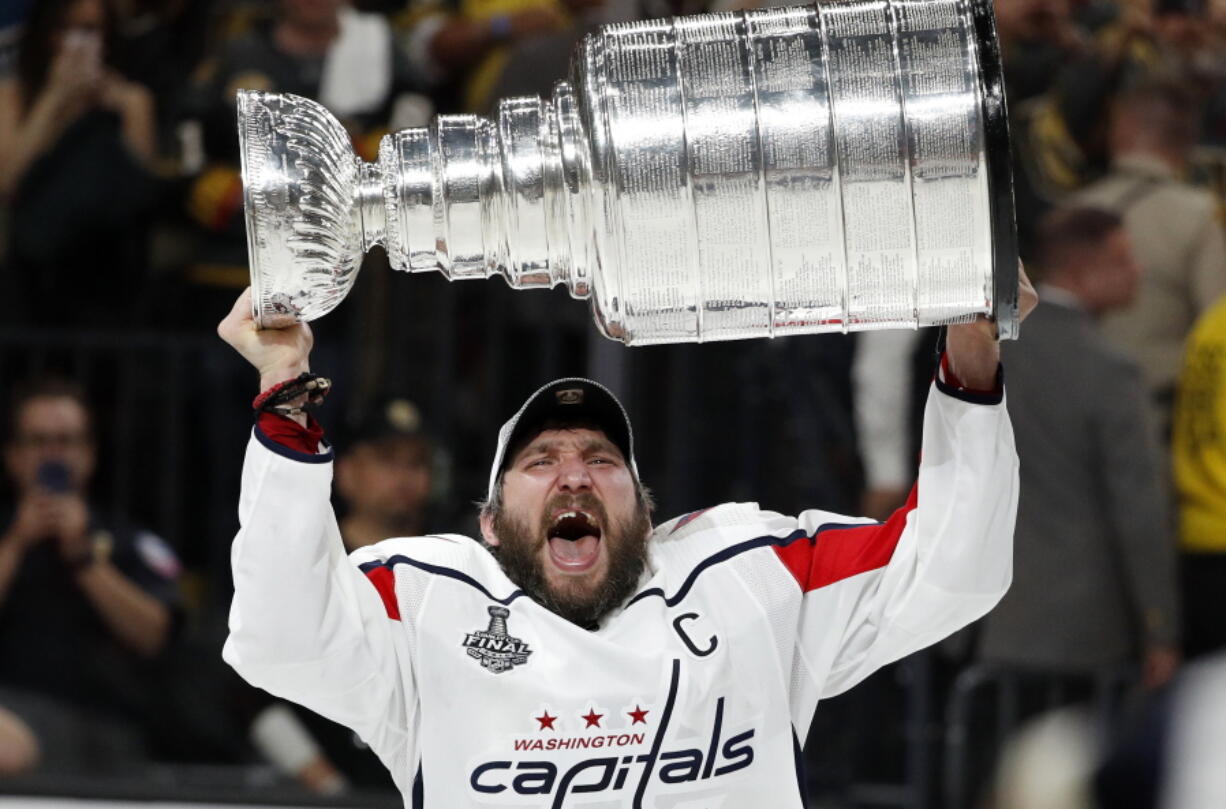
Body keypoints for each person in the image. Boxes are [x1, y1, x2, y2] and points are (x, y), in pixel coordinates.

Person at [216, 264, 1036, 804]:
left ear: (648, 511)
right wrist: (284, 389)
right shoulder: (426, 598)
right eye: (540, 460)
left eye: (600, 458)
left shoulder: (748, 573)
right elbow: (280, 634)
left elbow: (951, 567)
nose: (574, 473)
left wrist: (971, 349)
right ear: (492, 526)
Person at [976, 207, 1180, 689]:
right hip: (1083, 632)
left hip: (983, 615)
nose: (1139, 272)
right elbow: (1138, 511)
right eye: (1124, 259)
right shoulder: (1110, 370)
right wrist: (1160, 629)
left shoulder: (991, 347)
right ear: (1081, 269)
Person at [0, 378, 183, 771]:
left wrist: (84, 556)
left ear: (89, 453)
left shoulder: (129, 540)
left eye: (65, 440)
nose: (52, 454)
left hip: (101, 724)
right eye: (38, 441)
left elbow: (156, 637)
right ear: (13, 456)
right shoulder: (6, 536)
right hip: (10, 710)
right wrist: (15, 543)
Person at [1070, 82, 1226, 442]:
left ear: (1120, 130)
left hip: (1070, 419)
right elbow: (1216, 337)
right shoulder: (1200, 216)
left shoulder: (1072, 213)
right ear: (1187, 139)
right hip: (1161, 423)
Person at [0, 0, 157, 328]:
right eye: (66, 29)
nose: (78, 41)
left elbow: (142, 187)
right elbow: (7, 179)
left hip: (111, 266)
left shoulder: (132, 100)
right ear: (45, 34)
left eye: (90, 30)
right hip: (35, 267)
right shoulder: (15, 94)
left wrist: (119, 107)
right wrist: (55, 100)